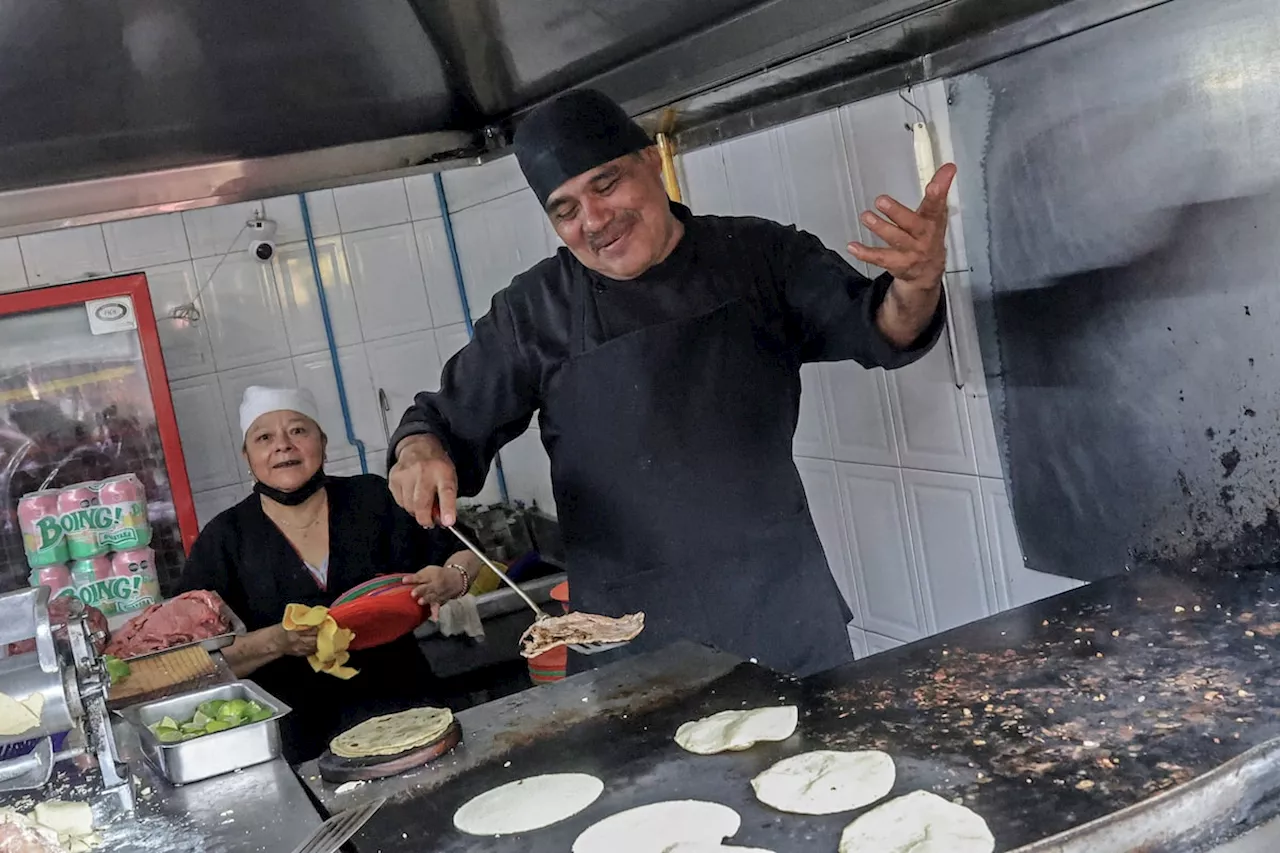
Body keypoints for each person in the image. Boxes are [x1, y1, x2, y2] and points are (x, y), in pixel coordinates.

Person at [388, 89, 954, 677]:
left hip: (780, 609)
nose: (594, 221)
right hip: (625, 639)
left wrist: (917, 284)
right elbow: (441, 424)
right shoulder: (533, 311)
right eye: (566, 209)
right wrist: (419, 451)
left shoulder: (760, 255)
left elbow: (880, 329)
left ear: (652, 163)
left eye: (606, 185)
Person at [177, 386, 482, 763]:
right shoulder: (225, 538)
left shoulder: (372, 497)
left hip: (410, 711)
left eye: (298, 431)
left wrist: (453, 578)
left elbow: (467, 549)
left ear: (321, 441)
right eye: (264, 437)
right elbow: (196, 659)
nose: (283, 446)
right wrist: (277, 641)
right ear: (247, 455)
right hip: (299, 743)